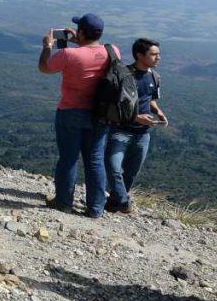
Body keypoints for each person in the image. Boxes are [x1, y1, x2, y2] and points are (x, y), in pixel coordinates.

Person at [38, 13, 115, 218]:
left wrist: (47, 46)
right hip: (101, 113)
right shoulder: (112, 50)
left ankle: (63, 202)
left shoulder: (69, 55)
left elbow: (44, 68)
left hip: (71, 111)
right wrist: (79, 40)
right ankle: (96, 208)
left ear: (81, 32)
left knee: (68, 159)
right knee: (95, 159)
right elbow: (92, 52)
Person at [104, 38, 167, 214]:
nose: (158, 58)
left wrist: (158, 112)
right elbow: (115, 103)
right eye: (153, 54)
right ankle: (124, 201)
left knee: (131, 173)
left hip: (143, 134)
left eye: (158, 54)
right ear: (139, 55)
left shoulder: (154, 76)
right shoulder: (124, 75)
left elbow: (150, 98)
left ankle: (114, 202)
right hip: (120, 130)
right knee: (114, 167)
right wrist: (136, 117)